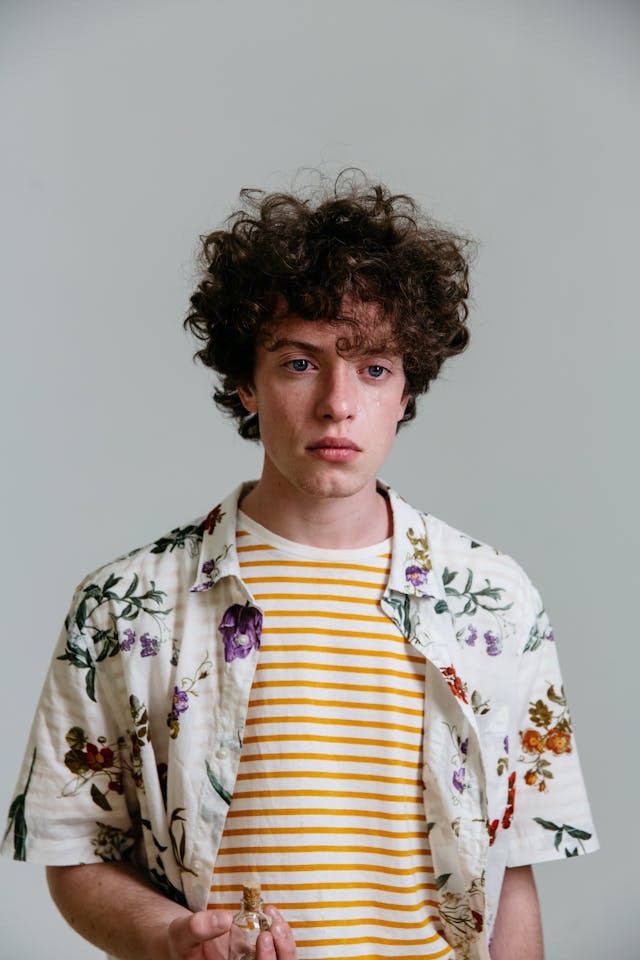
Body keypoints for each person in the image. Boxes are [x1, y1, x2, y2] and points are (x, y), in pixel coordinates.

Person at [2, 172, 598, 960]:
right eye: (299, 364)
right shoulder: (125, 603)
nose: (338, 404)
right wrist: (173, 938)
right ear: (245, 384)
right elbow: (73, 848)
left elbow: (512, 867)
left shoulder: (495, 599)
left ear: (407, 390)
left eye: (374, 368)